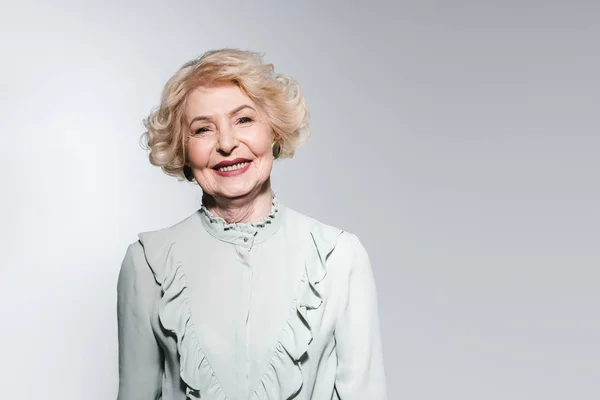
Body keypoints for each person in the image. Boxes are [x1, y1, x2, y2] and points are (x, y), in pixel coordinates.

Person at [116, 48, 387, 400]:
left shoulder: (338, 257)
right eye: (203, 129)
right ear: (182, 151)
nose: (227, 143)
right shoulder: (147, 263)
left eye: (244, 120)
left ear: (274, 131)